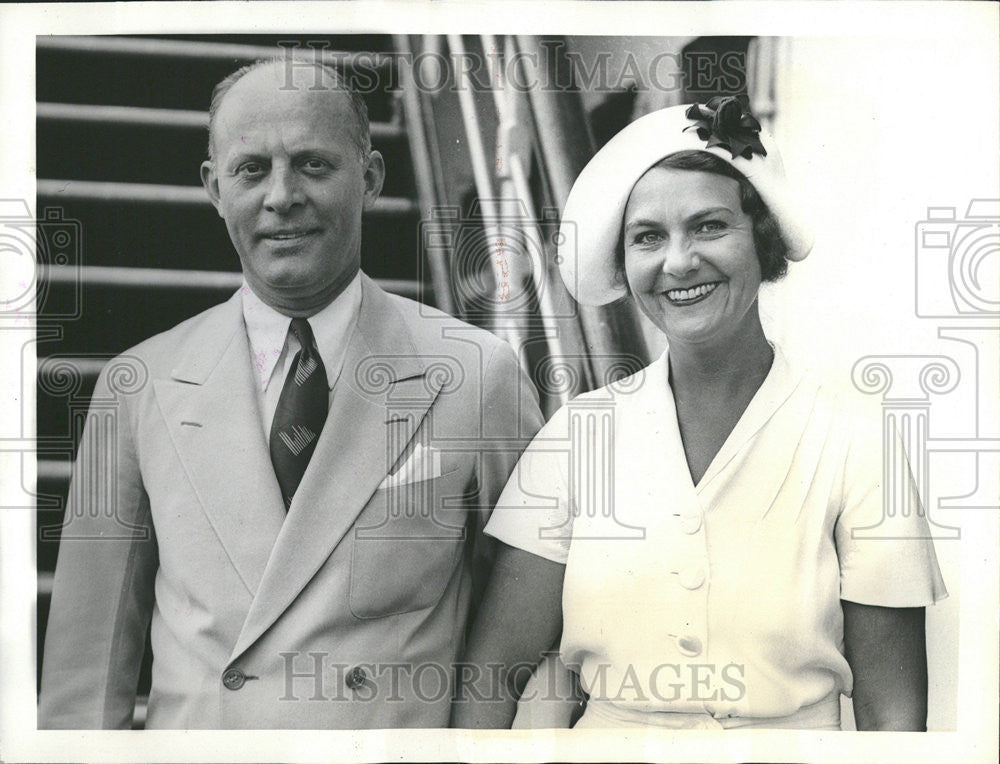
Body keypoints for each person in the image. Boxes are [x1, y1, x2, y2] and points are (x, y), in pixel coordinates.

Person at [39, 59, 542, 729]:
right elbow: (85, 670)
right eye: (251, 170)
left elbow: (526, 626)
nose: (281, 196)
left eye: (312, 164)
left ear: (369, 178)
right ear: (214, 189)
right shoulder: (138, 386)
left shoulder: (477, 374)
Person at [452, 98, 947, 731]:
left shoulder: (859, 442)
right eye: (648, 236)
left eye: (709, 226)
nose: (678, 261)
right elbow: (494, 671)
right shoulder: (579, 437)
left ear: (761, 242)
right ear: (624, 265)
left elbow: (895, 715)